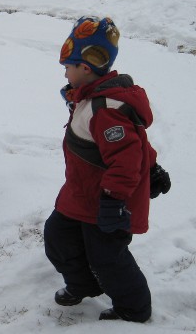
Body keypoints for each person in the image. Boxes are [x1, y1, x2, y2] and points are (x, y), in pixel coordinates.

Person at [44, 16, 171, 322]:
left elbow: (128, 153)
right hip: (80, 193)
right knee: (58, 237)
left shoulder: (105, 109)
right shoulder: (87, 99)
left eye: (68, 66)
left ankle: (134, 308)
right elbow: (135, 142)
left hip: (105, 200)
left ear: (85, 68)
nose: (64, 71)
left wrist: (116, 197)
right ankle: (83, 284)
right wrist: (151, 165)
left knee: (107, 257)